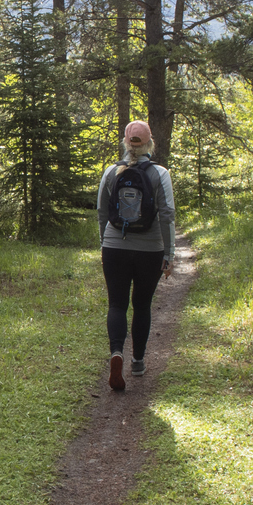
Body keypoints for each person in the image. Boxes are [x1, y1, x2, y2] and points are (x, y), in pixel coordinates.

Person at [96, 119, 176, 392]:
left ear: (126, 143)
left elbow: (102, 212)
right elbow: (167, 214)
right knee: (142, 305)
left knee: (117, 304)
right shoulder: (160, 174)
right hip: (150, 249)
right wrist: (169, 252)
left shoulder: (111, 172)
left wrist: (104, 243)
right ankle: (138, 361)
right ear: (150, 143)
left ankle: (116, 352)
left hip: (114, 245)